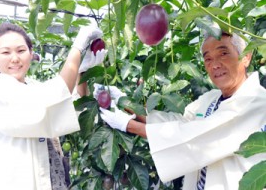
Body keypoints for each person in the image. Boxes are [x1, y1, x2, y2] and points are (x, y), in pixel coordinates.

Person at [97, 32, 266, 190]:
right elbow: (179, 124)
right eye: (208, 59)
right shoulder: (210, 98)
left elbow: (199, 137)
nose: (215, 65)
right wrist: (127, 103)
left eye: (223, 54)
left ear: (246, 57)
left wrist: (129, 125)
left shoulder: (257, 102)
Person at [0, 22, 106, 190]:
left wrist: (81, 71)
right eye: (5, 52)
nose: (15, 58)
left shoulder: (32, 86)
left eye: (21, 51)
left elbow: (71, 108)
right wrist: (77, 49)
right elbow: (45, 106)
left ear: (30, 53)